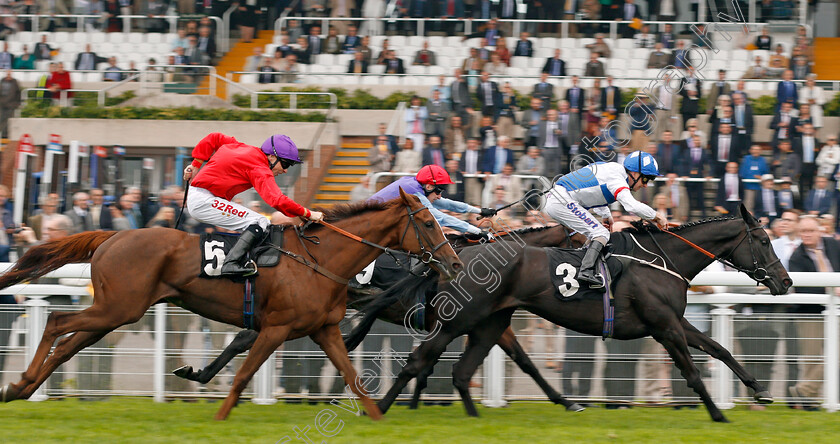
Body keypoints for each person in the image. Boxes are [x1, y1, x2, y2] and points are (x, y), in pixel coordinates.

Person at [182, 134, 323, 276]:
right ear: (271, 157)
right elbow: (277, 200)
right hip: (203, 201)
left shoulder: (241, 147)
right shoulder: (259, 168)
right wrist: (308, 213)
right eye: (285, 164)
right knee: (260, 221)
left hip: (204, 197)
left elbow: (214, 138)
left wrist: (196, 164)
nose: (285, 170)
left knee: (259, 222)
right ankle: (231, 264)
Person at [545, 152, 668, 287]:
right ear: (634, 173)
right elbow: (632, 206)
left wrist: (606, 215)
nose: (645, 185)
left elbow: (596, 191)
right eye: (645, 179)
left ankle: (584, 267)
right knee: (601, 234)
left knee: (595, 234)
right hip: (561, 201)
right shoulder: (617, 179)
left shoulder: (612, 169)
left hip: (559, 198)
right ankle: (585, 271)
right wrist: (657, 216)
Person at [369, 164, 496, 236]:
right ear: (429, 186)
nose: (439, 196)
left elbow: (446, 203)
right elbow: (440, 217)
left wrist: (479, 211)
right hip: (370, 222)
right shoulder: (415, 193)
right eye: (439, 191)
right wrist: (477, 231)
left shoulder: (417, 185)